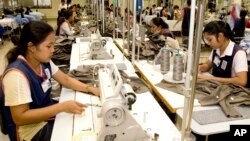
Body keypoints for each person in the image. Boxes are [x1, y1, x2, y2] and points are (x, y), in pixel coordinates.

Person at [1, 21, 100, 141]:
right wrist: (62, 107)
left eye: (53, 45)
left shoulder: (43, 61)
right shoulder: (16, 75)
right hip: (30, 131)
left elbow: (65, 79)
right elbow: (20, 117)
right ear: (32, 47)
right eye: (49, 46)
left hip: (46, 114)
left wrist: (90, 89)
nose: (53, 50)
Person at [198, 21, 248, 87]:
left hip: (230, 91)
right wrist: (200, 68)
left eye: (210, 40)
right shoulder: (216, 49)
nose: (209, 43)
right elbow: (208, 65)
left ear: (220, 36)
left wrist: (210, 79)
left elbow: (242, 81)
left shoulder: (238, 53)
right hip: (215, 86)